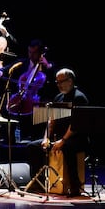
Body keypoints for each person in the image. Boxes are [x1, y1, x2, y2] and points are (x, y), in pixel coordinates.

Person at [25, 68, 88, 196]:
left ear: (70, 81)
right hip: (60, 137)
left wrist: (63, 140)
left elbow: (75, 125)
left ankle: (75, 186)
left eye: (61, 81)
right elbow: (51, 120)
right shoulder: (59, 97)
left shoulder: (79, 98)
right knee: (32, 146)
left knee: (67, 148)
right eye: (57, 82)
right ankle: (39, 183)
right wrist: (46, 138)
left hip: (76, 138)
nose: (58, 85)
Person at [0, 39, 54, 141]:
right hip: (22, 95)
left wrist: (48, 66)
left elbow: (54, 79)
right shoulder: (23, 62)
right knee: (7, 107)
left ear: (40, 53)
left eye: (34, 53)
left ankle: (36, 138)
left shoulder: (46, 65)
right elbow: (6, 68)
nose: (31, 55)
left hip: (39, 99)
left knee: (39, 111)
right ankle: (10, 138)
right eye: (29, 52)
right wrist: (0, 71)